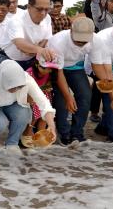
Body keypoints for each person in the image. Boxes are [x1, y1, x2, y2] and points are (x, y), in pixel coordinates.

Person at [0, 60, 56, 154]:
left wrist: (51, 126)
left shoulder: (25, 79)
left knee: (24, 114)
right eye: (13, 87)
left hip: (11, 103)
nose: (17, 89)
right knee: (1, 122)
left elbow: (43, 102)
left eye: (20, 87)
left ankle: (12, 144)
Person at [48, 17, 95, 145]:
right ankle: (64, 133)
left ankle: (77, 133)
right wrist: (68, 96)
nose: (80, 42)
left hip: (76, 67)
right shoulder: (57, 42)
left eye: (84, 41)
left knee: (85, 95)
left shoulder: (95, 40)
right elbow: (59, 72)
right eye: (77, 39)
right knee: (61, 100)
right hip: (56, 69)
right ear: (71, 31)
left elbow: (97, 62)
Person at [0, 0, 55, 70]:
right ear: (29, 7)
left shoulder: (47, 18)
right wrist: (39, 50)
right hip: (9, 58)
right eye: (39, 9)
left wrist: (34, 51)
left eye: (47, 9)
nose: (43, 13)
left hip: (30, 59)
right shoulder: (16, 20)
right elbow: (20, 43)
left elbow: (46, 38)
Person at [20, 55, 59, 148]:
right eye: (45, 68)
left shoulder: (50, 74)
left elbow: (49, 83)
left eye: (50, 69)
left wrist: (48, 87)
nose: (48, 71)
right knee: (34, 116)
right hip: (30, 98)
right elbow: (25, 90)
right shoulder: (29, 73)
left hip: (45, 96)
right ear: (37, 64)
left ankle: (42, 135)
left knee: (44, 117)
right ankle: (27, 133)